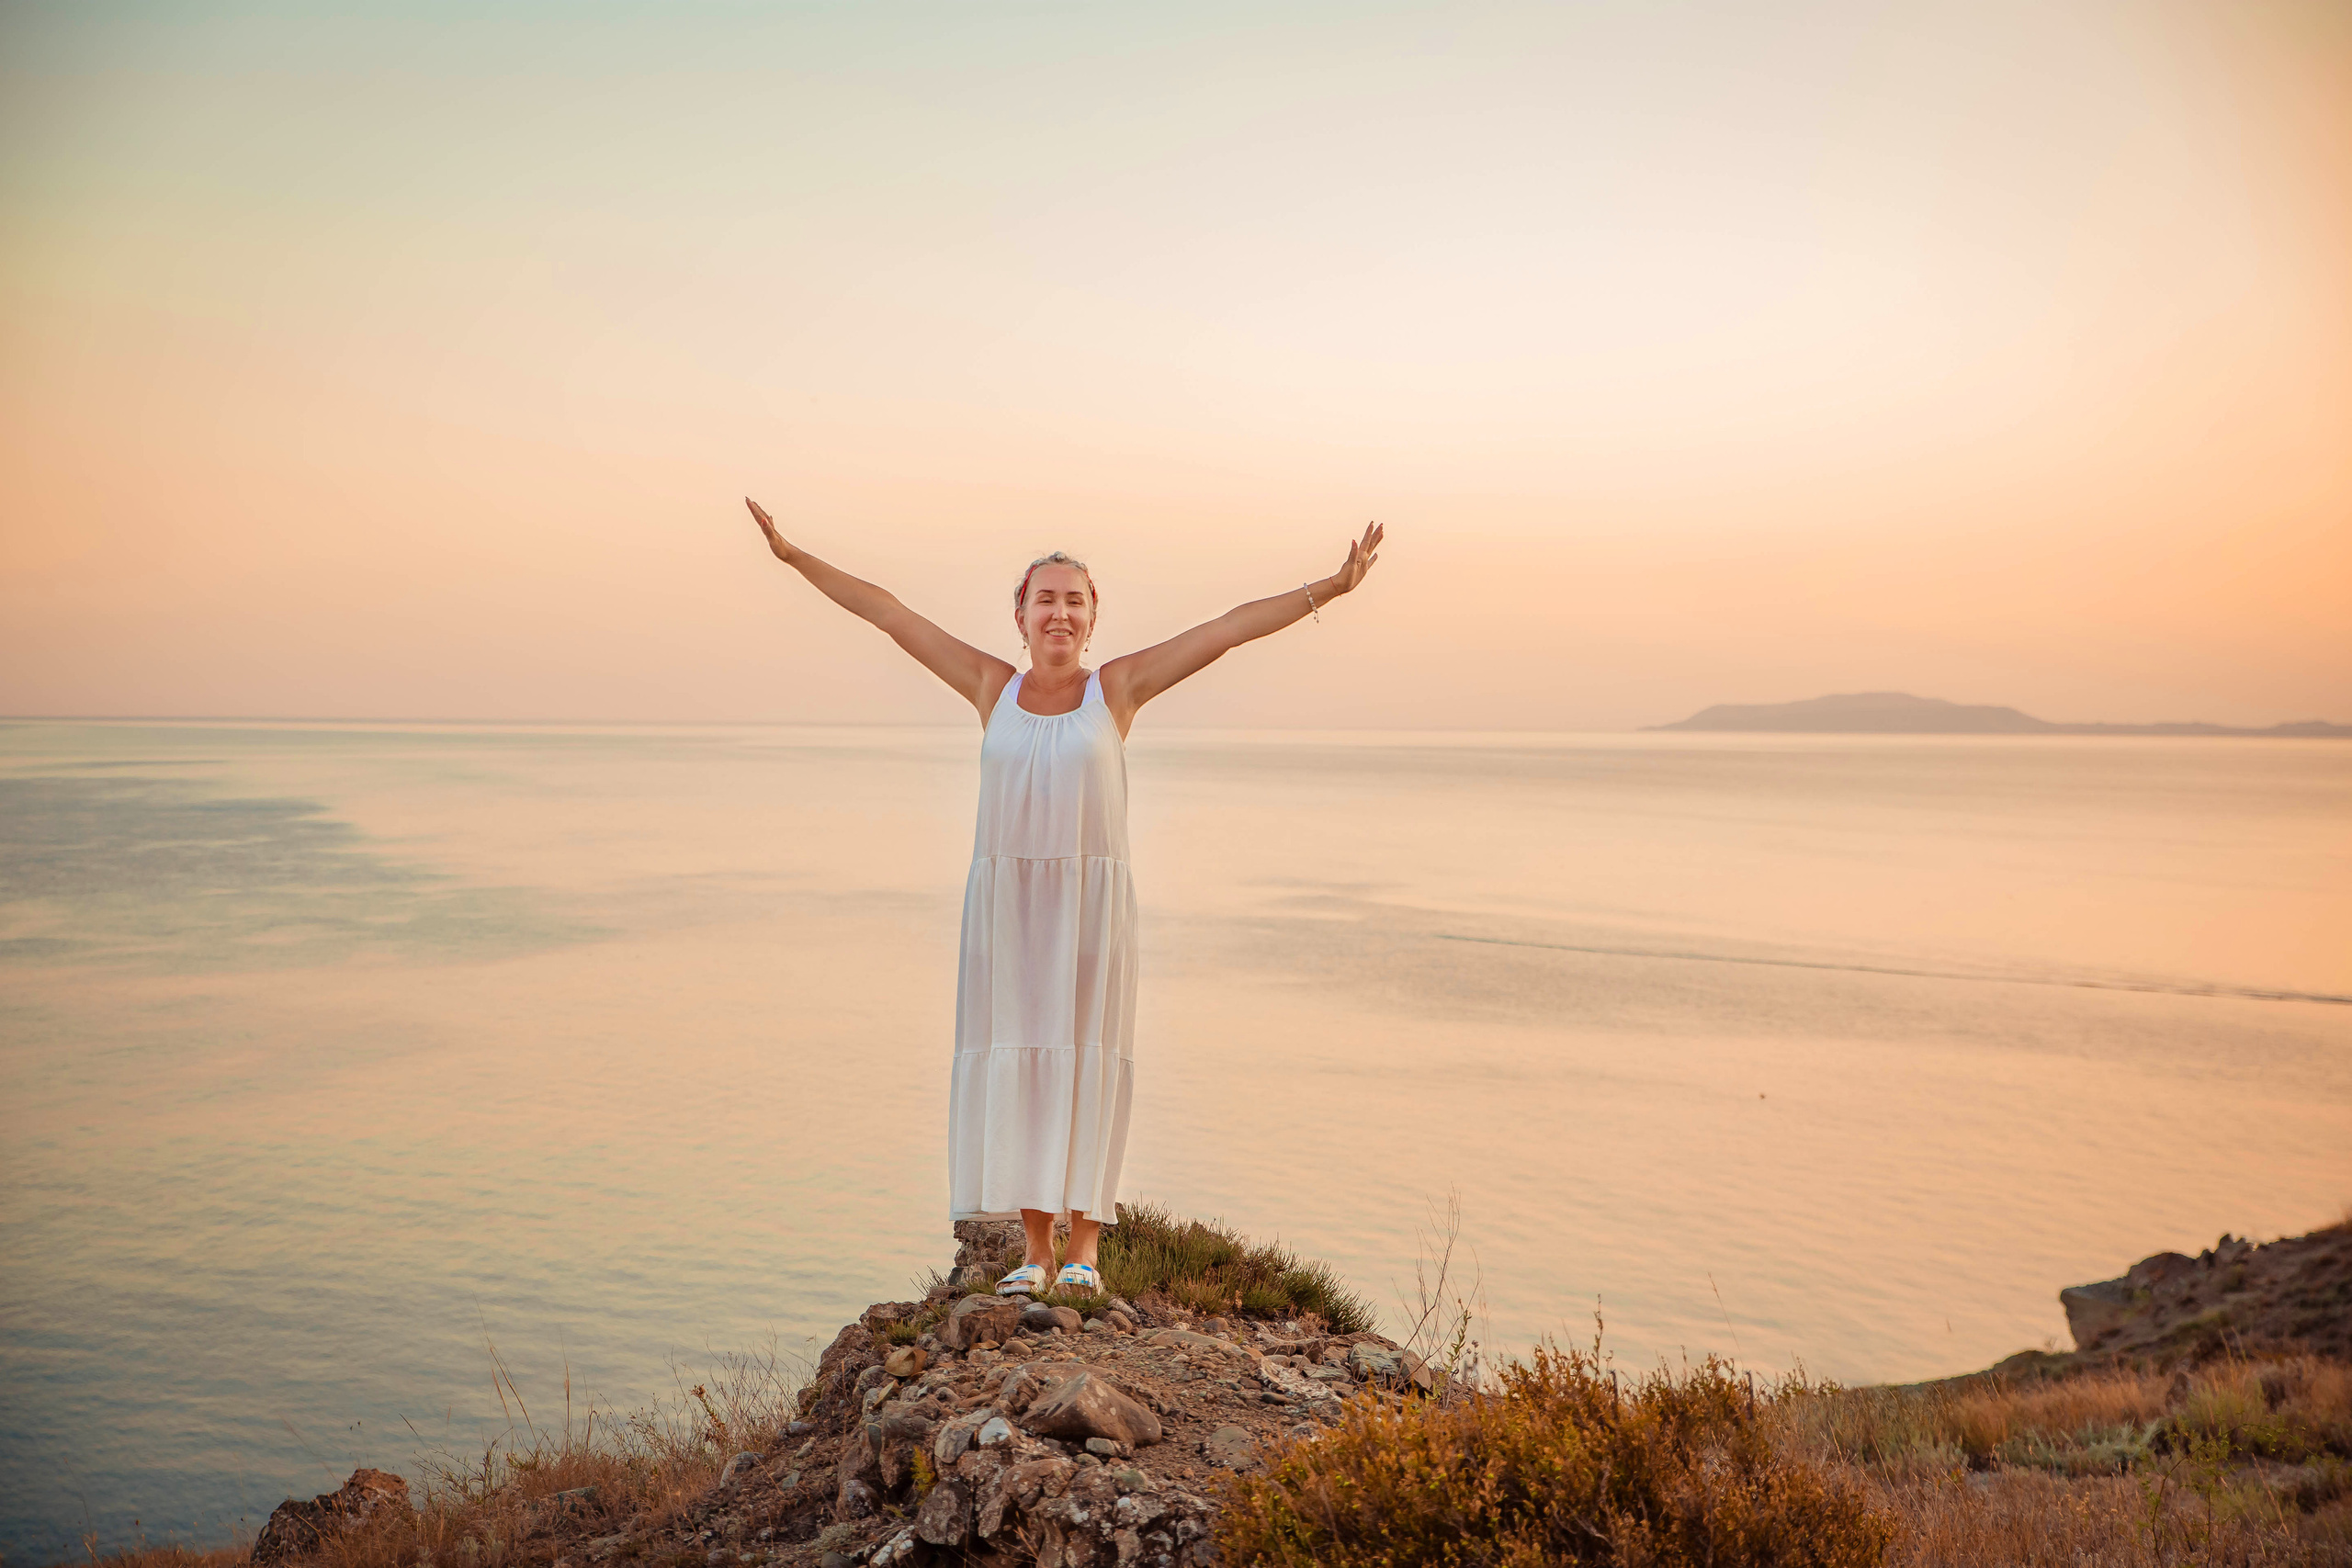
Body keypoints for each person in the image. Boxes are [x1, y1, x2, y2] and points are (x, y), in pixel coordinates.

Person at [743, 499, 1383, 1294]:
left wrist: (1332, 586)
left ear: (1091, 617)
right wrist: (793, 555)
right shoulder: (990, 686)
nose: (1059, 611)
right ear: (1020, 615)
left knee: (1085, 1051)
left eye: (1073, 599)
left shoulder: (1116, 690)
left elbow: (1226, 629)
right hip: (1010, 910)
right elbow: (889, 614)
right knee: (1023, 1057)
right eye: (1044, 598)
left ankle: (1085, 1250)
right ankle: (1036, 1251)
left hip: (1089, 906)